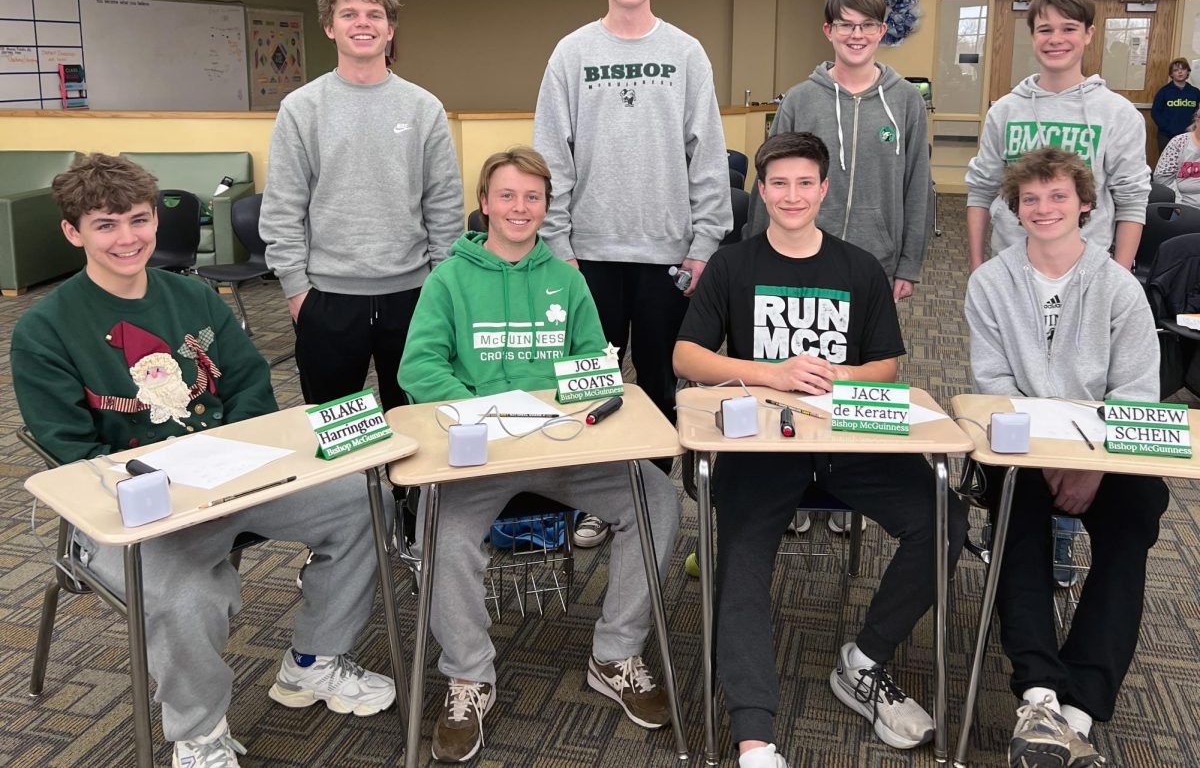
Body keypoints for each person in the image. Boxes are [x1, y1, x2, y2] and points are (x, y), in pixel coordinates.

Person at [11, 154, 395, 768]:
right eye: (105, 224)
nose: (127, 238)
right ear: (72, 232)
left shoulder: (193, 296)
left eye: (138, 220)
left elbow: (250, 386)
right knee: (186, 594)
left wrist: (226, 460)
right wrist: (170, 482)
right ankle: (200, 731)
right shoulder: (45, 330)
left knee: (360, 500)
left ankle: (312, 662)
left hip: (230, 476)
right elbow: (71, 453)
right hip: (131, 509)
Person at [673, 132, 967, 768]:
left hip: (850, 437)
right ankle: (755, 736)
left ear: (824, 189)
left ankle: (863, 663)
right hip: (762, 444)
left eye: (805, 183)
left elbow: (885, 364)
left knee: (945, 517)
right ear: (763, 192)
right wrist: (772, 373)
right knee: (742, 557)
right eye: (778, 184)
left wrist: (840, 377)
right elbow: (685, 355)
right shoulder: (733, 265)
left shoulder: (858, 267)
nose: (792, 195)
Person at [398, 147, 681, 763]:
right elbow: (417, 367)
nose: (519, 208)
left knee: (658, 500)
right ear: (484, 204)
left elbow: (591, 363)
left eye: (532, 197)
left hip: (561, 448)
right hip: (483, 449)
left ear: (546, 206)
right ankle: (469, 675)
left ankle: (614, 653)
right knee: (439, 532)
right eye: (507, 195)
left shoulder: (565, 277)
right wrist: (485, 414)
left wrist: (587, 392)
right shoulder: (449, 278)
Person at [532, 0, 731, 548]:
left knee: (663, 385)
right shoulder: (572, 51)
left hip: (667, 253)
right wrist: (557, 247)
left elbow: (708, 153)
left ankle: (651, 503)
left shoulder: (684, 52)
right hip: (586, 255)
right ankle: (597, 498)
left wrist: (705, 243)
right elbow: (550, 154)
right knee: (589, 382)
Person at [964, 148, 1167, 768]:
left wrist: (1093, 465)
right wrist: (1047, 456)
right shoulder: (990, 283)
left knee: (1135, 517)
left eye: (1057, 197)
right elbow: (993, 386)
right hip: (1025, 450)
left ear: (1085, 204)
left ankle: (1077, 707)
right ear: (1014, 209)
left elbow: (1135, 395)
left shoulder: (1118, 287)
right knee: (1016, 516)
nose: (1044, 209)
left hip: (1103, 456)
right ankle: (1039, 692)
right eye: (1031, 199)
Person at [260, 0, 463, 412]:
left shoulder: (424, 107)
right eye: (348, 14)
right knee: (333, 431)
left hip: (414, 294)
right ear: (330, 27)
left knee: (420, 419)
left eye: (374, 14)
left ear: (390, 29)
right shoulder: (301, 108)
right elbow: (282, 207)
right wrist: (298, 294)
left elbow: (444, 205)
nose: (362, 23)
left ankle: (412, 489)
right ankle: (349, 487)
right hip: (326, 297)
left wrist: (441, 286)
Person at [746, 0, 931, 303]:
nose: (856, 35)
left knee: (863, 354)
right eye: (845, 25)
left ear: (881, 30)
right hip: (799, 257)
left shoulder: (905, 101)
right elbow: (768, 181)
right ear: (828, 30)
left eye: (867, 25)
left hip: (876, 261)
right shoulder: (800, 99)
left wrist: (909, 264)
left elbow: (916, 186)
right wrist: (756, 253)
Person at [966, 0, 1150, 274]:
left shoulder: (1117, 114)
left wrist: (1119, 279)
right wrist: (977, 267)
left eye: (1068, 29)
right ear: (1032, 36)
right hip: (1010, 269)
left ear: (1089, 33)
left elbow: (1132, 201)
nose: (1056, 39)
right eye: (1045, 30)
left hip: (1088, 272)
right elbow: (981, 190)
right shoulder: (1004, 110)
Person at [1152, 105, 1200, 208]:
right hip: (1183, 206)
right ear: (1197, 121)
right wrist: (1178, 204)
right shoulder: (1179, 142)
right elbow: (1162, 178)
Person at [1150, 58, 1200, 155]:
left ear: (1188, 72)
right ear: (1171, 74)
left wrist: (1195, 128)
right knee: (1167, 165)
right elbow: (1155, 112)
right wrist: (1168, 128)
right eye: (1176, 70)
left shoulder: (1195, 92)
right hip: (1167, 136)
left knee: (1188, 165)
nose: (1180, 72)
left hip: (1190, 136)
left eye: (1183, 69)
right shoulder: (1164, 92)